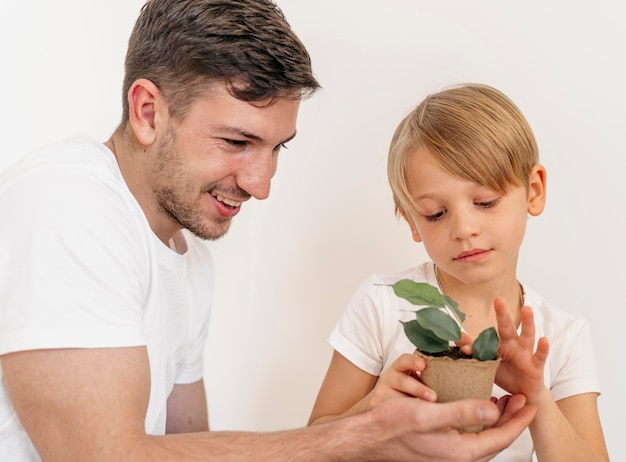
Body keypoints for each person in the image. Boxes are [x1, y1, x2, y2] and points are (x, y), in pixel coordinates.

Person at [0, 1, 538, 459]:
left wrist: (380, 425)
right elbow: (101, 455)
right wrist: (358, 432)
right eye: (237, 142)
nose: (261, 185)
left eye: (276, 148)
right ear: (147, 111)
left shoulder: (186, 258)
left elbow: (193, 449)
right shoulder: (67, 202)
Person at [307, 83, 610, 461]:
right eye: (436, 213)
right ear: (413, 223)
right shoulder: (383, 305)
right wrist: (374, 411)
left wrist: (537, 397)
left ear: (533, 191)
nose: (463, 228)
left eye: (485, 202)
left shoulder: (562, 337)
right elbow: (314, 443)